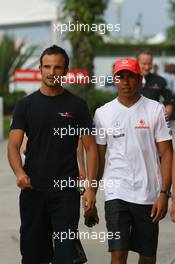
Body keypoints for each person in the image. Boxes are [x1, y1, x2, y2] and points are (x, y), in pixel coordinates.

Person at [8, 45, 98, 264]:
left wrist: (90, 188)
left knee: (66, 255)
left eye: (57, 67)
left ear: (66, 71)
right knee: (33, 256)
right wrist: (19, 172)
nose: (51, 72)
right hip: (33, 191)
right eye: (47, 66)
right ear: (40, 69)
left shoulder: (77, 106)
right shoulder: (25, 105)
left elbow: (91, 148)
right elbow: (13, 145)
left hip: (65, 193)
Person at [94, 58, 173, 264]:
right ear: (114, 80)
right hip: (116, 193)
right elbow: (99, 157)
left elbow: (167, 154)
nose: (126, 82)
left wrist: (165, 193)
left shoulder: (155, 110)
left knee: (147, 256)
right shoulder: (102, 114)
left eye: (131, 77)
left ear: (140, 79)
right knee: (118, 254)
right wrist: (91, 192)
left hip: (148, 195)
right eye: (121, 77)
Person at [137, 49, 174, 119]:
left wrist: (163, 122)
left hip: (153, 123)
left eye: (149, 63)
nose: (147, 67)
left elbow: (169, 103)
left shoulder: (160, 81)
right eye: (144, 64)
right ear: (137, 63)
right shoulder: (128, 80)